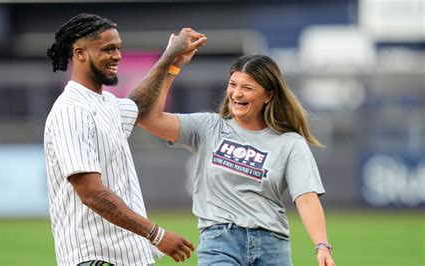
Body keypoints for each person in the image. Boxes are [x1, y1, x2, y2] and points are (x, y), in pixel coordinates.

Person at [137, 49, 336, 265]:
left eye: (247, 88)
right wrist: (170, 66)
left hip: (272, 246)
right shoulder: (209, 127)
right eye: (233, 85)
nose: (237, 93)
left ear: (268, 95)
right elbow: (150, 118)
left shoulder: (290, 142)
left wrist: (322, 245)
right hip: (220, 243)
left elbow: (306, 199)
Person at [44, 13, 207, 265]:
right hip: (96, 257)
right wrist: (157, 234)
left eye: (118, 49)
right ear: (79, 53)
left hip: (126, 255)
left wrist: (170, 61)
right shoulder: (71, 110)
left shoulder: (105, 102)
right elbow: (91, 193)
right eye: (108, 49)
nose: (117, 56)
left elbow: (138, 105)